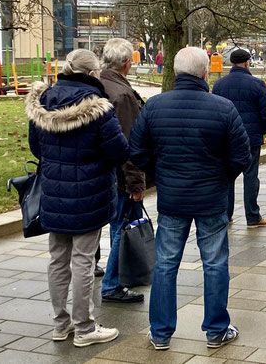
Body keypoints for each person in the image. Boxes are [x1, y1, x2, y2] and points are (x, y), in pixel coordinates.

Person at [130, 47, 251, 351]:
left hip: (172, 199)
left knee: (166, 265)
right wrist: (222, 178)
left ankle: (159, 332)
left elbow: (138, 152)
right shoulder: (223, 108)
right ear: (205, 73)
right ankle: (215, 330)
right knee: (215, 263)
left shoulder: (155, 106)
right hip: (211, 198)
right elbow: (241, 157)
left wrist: (161, 176)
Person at [25, 49, 128, 347]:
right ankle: (84, 328)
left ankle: (61, 324)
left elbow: (37, 148)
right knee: (83, 261)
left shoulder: (42, 103)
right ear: (93, 73)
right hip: (90, 192)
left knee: (57, 259)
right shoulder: (98, 108)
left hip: (54, 192)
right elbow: (119, 151)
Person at [98, 39, 148, 304]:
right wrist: (136, 184)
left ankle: (114, 279)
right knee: (122, 228)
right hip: (120, 177)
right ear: (128, 63)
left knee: (117, 226)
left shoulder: (98, 85)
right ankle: (112, 284)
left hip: (104, 172)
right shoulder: (123, 95)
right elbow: (130, 143)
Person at [213, 48, 266, 228]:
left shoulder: (219, 85)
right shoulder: (257, 84)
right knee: (250, 176)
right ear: (247, 63)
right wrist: (261, 131)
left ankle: (226, 214)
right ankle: (252, 216)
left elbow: (215, 112)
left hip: (226, 138)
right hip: (250, 137)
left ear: (231, 63)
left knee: (227, 177)